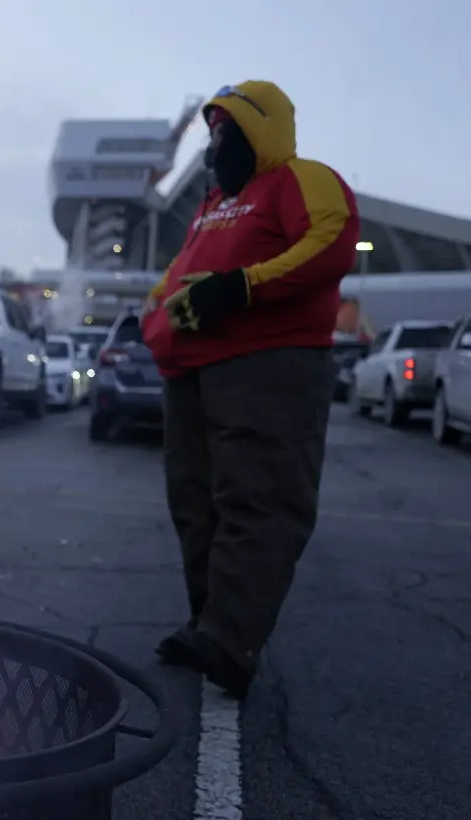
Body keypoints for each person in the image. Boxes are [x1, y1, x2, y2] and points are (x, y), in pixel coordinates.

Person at [140, 81, 359, 697]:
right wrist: (153, 315)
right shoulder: (213, 204)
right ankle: (207, 624)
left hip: (270, 364)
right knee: (195, 503)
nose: (215, 144)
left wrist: (238, 288)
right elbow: (175, 275)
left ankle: (231, 639)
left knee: (258, 500)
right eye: (211, 132)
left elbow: (330, 241)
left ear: (258, 126)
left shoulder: (301, 178)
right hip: (191, 371)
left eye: (225, 130)